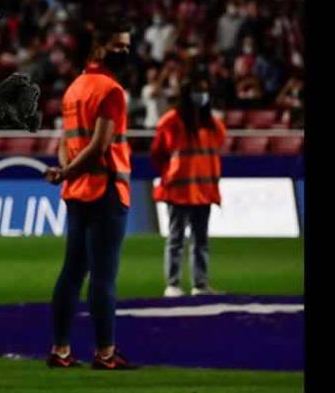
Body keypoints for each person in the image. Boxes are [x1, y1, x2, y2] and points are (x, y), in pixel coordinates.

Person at [44, 19, 138, 370]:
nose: (126, 53)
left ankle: (61, 349)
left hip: (77, 192)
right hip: (106, 192)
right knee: (103, 277)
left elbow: (68, 144)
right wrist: (67, 172)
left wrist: (65, 173)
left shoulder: (75, 88)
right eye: (120, 46)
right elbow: (101, 145)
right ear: (99, 47)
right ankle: (105, 352)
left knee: (71, 272)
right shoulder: (111, 91)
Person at [152, 77, 227, 297]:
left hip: (202, 191)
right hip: (179, 191)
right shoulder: (171, 122)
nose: (201, 96)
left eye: (204, 91)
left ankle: (200, 285)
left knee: (200, 240)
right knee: (176, 239)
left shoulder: (212, 124)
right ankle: (173, 284)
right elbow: (157, 154)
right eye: (197, 91)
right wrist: (171, 173)